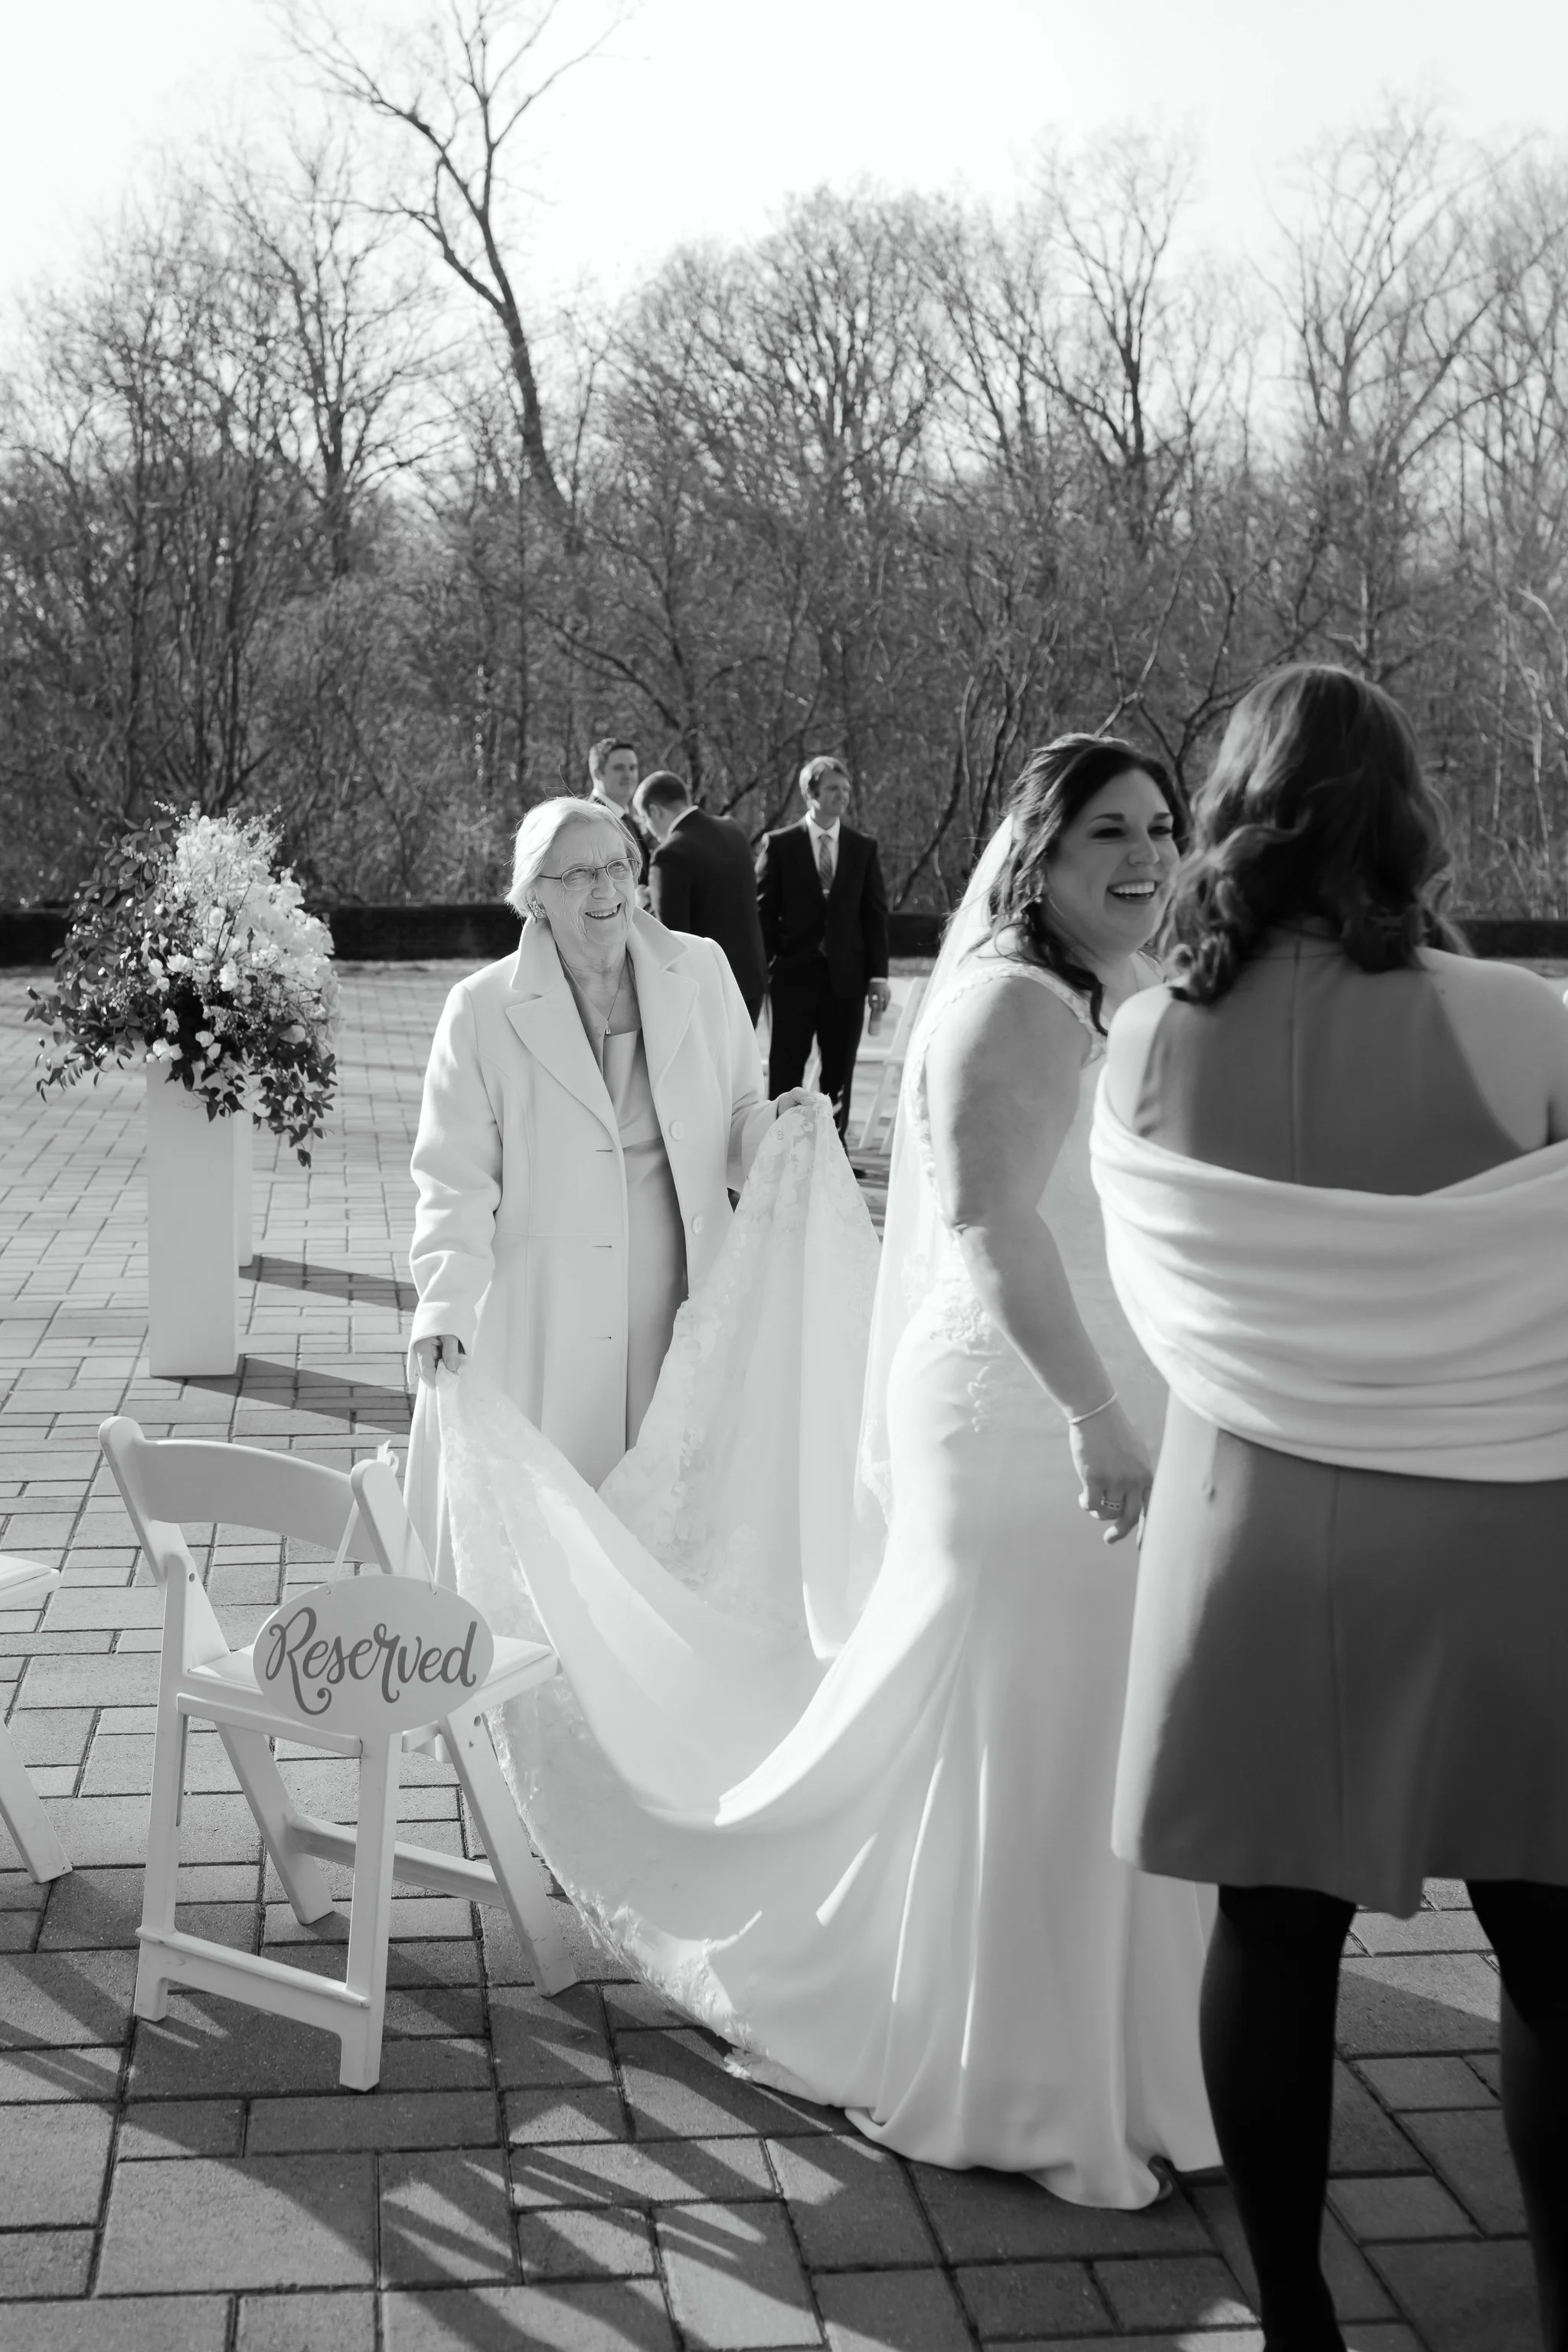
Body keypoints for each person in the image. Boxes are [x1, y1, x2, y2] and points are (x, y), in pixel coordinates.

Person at [433, 735, 1219, 2207]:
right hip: (1025, 1414)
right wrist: (1097, 1411)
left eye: (1161, 826)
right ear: (1037, 852)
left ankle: (1118, 2049)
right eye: (1107, 828)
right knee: (1036, 1733)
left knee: (1068, 1727)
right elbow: (993, 1232)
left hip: (1072, 1392)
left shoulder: (1099, 993)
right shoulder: (1017, 1006)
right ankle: (1016, 2061)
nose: (1144, 852)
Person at [1093, 666, 1568, 2349]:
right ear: (1405, 814)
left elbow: (1158, 1296)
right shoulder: (1522, 1023)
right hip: (1504, 1523)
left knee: (1271, 1929)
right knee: (1548, 1930)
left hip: (1258, 1526)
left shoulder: (1147, 1041)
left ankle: (1296, 2320)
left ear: (1228, 817)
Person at [404, 797, 807, 1570]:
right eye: (580, 872)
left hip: (679, 1297)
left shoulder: (701, 968)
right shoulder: (481, 1008)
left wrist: (777, 1133)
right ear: (535, 896)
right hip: (547, 1309)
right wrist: (444, 1306)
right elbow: (454, 1181)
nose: (607, 888)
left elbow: (734, 1119)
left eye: (619, 866)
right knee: (564, 1530)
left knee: (671, 1519)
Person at [756, 756, 890, 1138]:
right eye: (833, 789)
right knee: (786, 1069)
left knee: (839, 1070)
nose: (842, 796)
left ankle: (835, 1151)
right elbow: (763, 914)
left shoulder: (863, 848)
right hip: (792, 978)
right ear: (811, 794)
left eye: (846, 790)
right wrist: (761, 970)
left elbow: (875, 915)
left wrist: (878, 976)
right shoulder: (780, 845)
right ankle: (781, 1145)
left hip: (846, 981)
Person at [634, 770, 769, 1022]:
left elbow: (671, 936)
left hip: (709, 989)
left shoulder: (670, 854)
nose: (649, 830)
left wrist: (643, 904)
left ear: (655, 811)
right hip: (750, 979)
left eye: (644, 819)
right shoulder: (733, 829)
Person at [585, 736, 654, 884]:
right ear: (597, 773)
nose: (629, 775)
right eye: (619, 768)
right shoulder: (588, 821)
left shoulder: (630, 821)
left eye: (632, 768)